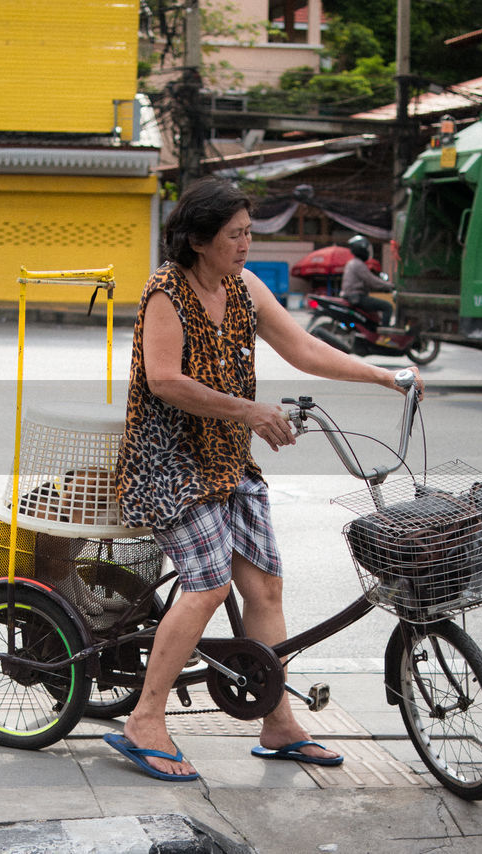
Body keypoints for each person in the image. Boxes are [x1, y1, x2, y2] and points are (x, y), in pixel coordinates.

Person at [106, 176, 421, 782]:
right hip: (169, 465)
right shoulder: (165, 293)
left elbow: (303, 349)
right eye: (235, 234)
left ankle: (278, 723)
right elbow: (165, 380)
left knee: (267, 589)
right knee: (208, 585)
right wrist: (251, 411)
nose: (247, 244)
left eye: (250, 232)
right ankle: (146, 720)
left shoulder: (244, 287)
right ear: (199, 239)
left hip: (228, 459)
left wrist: (383, 376)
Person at [339, 235, 393, 327]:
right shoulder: (358, 264)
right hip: (357, 298)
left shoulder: (352, 263)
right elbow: (372, 281)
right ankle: (384, 335)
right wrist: (390, 285)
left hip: (351, 296)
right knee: (387, 306)